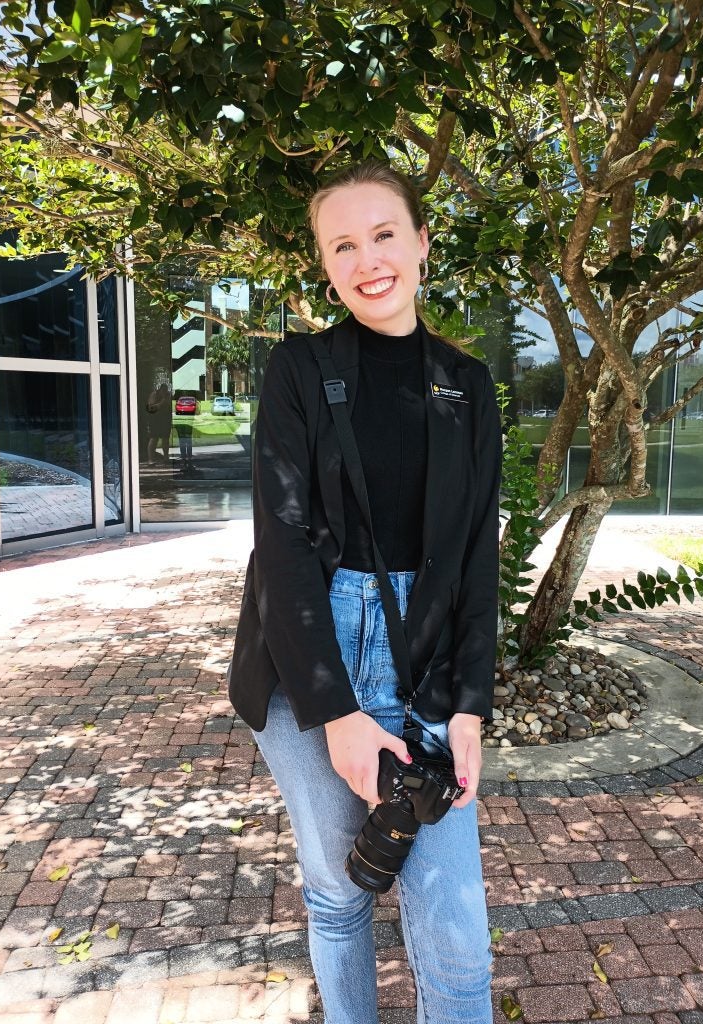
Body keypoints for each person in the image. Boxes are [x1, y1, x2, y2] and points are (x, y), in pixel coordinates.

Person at [229, 161, 502, 1024]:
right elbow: (280, 545)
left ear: (421, 243)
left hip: (425, 654)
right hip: (313, 656)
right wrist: (338, 711)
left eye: (384, 233)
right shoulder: (299, 370)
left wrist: (468, 707)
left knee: (459, 941)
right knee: (337, 890)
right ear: (324, 263)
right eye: (341, 243)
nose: (366, 258)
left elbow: (472, 561)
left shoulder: (468, 385)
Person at [145, 382, 172, 465]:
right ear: (160, 390)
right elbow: (150, 407)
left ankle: (166, 457)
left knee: (165, 439)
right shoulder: (154, 394)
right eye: (163, 390)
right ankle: (150, 459)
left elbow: (168, 406)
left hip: (165, 419)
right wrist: (161, 402)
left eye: (165, 391)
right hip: (155, 420)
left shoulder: (168, 395)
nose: (164, 392)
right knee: (154, 438)